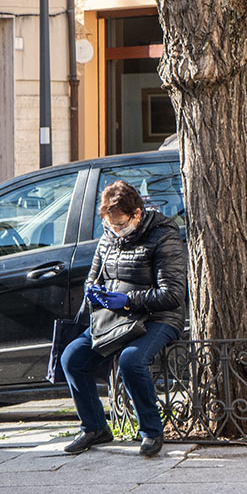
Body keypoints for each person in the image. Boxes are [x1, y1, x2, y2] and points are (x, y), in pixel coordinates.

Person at [61, 180, 186, 457]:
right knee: (72, 358)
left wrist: (130, 300)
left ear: (137, 214)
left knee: (131, 360)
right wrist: (92, 291)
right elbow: (94, 276)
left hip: (157, 317)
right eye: (109, 225)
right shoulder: (108, 236)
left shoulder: (163, 236)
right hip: (115, 318)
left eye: (119, 224)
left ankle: (151, 431)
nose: (115, 230)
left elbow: (173, 295)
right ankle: (95, 427)